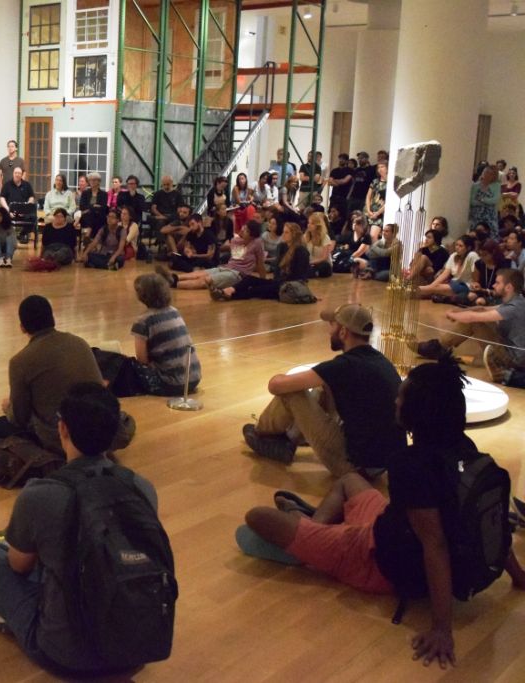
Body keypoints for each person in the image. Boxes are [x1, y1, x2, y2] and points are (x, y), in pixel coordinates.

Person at [241, 355, 525, 669]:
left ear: (417, 410)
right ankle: (316, 529)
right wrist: (518, 575)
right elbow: (489, 516)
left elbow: (435, 545)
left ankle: (313, 540)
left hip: (377, 559)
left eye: (402, 395)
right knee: (350, 479)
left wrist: (442, 629)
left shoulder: (412, 465)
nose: (396, 400)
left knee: (256, 517)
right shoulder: (465, 448)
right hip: (391, 525)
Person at [0, 382, 159, 676]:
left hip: (65, 656)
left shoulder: (41, 494)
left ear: (63, 429)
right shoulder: (142, 487)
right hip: (136, 649)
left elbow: (17, 566)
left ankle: (7, 616)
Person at [242, 303, 405, 476]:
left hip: (354, 466)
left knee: (291, 392)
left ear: (343, 332)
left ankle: (262, 433)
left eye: (332, 325)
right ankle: (290, 438)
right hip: (381, 465)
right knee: (324, 388)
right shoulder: (380, 361)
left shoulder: (343, 366)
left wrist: (279, 377)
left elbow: (275, 386)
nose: (329, 331)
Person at [0, 296, 103, 454]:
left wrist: (8, 408)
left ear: (22, 327)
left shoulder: (20, 362)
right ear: (52, 319)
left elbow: (19, 418)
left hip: (65, 437)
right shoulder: (79, 343)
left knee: (24, 419)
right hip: (105, 429)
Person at [413, 269, 525, 382]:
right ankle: (438, 347)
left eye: (497, 283)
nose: (493, 285)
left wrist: (452, 314)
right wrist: (459, 312)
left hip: (514, 361)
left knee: (475, 322)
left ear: (509, 287)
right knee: (477, 312)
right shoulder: (518, 301)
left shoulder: (514, 308)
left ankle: (437, 347)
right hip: (510, 351)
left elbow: (473, 318)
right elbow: (482, 309)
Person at [158, 219, 265, 293]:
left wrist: (262, 282)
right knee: (199, 273)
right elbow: (233, 256)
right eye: (243, 228)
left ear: (252, 234)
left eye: (246, 230)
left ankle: (172, 284)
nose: (242, 230)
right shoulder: (236, 240)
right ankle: (173, 277)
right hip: (226, 267)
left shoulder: (256, 243)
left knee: (206, 280)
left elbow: (260, 263)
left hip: (237, 274)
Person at [217, 221, 310, 301]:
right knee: (249, 279)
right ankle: (229, 290)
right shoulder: (283, 247)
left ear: (293, 235)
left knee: (256, 290)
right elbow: (277, 270)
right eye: (283, 232)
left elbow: (299, 276)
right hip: (279, 282)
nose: (283, 235)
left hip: (290, 286)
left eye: (286, 233)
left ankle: (230, 296)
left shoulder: (301, 251)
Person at [416, 235, 479, 301]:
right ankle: (412, 292)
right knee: (434, 288)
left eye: (460, 246)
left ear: (468, 248)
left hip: (466, 285)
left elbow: (476, 277)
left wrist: (431, 287)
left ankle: (410, 291)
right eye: (456, 245)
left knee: (435, 288)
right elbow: (445, 274)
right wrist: (432, 286)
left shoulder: (472, 255)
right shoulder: (454, 255)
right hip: (453, 283)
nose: (457, 247)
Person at [464, 239, 509, 305]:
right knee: (470, 296)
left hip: (497, 294)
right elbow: (475, 281)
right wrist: (475, 285)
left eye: (485, 255)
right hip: (481, 291)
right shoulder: (479, 263)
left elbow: (501, 291)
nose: (482, 257)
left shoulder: (503, 265)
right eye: (480, 255)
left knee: (479, 301)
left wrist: (483, 290)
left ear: (493, 252)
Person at [75, 172, 108, 239]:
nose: (92, 182)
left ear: (99, 181)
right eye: (90, 180)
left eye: (94, 180)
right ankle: (90, 238)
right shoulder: (85, 193)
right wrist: (94, 206)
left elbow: (104, 207)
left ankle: (88, 235)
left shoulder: (104, 194)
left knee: (94, 215)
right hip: (86, 216)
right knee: (91, 214)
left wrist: (90, 207)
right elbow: (82, 206)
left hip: (99, 216)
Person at [469, 164, 502, 231]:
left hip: (490, 216)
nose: (487, 175)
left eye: (490, 174)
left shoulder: (496, 185)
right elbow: (472, 201)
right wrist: (485, 203)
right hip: (476, 216)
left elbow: (494, 200)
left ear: (494, 176)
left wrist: (481, 199)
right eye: (485, 172)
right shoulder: (475, 186)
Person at [304, 212, 334, 278]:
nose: (309, 225)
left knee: (323, 266)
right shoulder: (306, 237)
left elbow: (324, 257)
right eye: (308, 223)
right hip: (310, 263)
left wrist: (311, 262)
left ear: (317, 226)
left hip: (322, 263)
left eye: (312, 224)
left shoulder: (325, 238)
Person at [348, 152, 374, 218]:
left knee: (361, 216)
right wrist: (349, 195)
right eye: (358, 158)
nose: (359, 160)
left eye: (361, 158)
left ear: (367, 159)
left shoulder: (371, 169)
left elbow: (373, 185)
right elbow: (353, 183)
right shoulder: (356, 170)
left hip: (364, 197)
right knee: (351, 215)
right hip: (354, 196)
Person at [365, 162, 387, 237]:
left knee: (373, 236)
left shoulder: (390, 182)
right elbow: (368, 196)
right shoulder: (375, 181)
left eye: (382, 166)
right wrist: (368, 210)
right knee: (367, 237)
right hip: (371, 211)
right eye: (378, 167)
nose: (380, 169)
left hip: (381, 212)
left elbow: (389, 201)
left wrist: (378, 213)